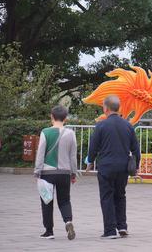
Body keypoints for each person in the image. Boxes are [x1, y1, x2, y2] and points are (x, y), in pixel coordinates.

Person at [86, 95, 141, 239]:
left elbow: (93, 147)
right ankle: (122, 226)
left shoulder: (101, 126)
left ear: (105, 108)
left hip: (106, 167)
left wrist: (90, 161)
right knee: (120, 195)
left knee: (106, 197)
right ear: (118, 108)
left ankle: (110, 230)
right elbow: (136, 149)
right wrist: (136, 166)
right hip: (123, 167)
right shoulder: (128, 125)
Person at [34, 105, 78, 240]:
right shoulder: (71, 133)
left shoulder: (45, 132)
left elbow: (40, 153)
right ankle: (68, 221)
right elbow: (73, 156)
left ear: (51, 117)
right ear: (66, 118)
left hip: (47, 172)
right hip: (64, 172)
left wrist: (37, 171)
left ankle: (49, 231)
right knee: (64, 200)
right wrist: (73, 173)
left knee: (47, 200)